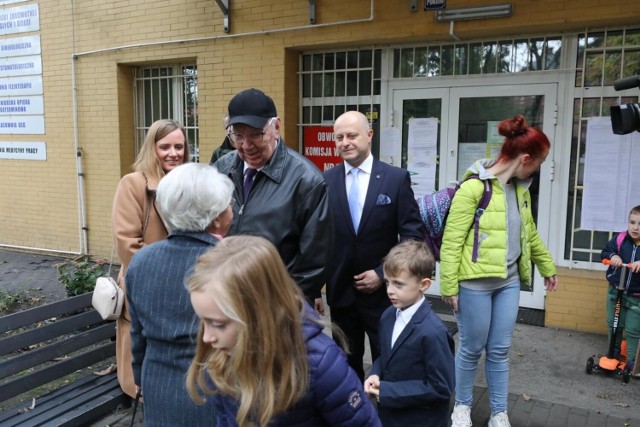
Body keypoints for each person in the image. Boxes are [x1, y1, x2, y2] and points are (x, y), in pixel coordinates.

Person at [186, 235, 381, 427]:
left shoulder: (319, 366)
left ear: (259, 314)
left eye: (219, 324)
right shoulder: (223, 355)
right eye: (203, 322)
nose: (206, 337)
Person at [441, 114, 558, 427]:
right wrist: (449, 286)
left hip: (507, 283)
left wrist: (546, 267)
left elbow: (529, 233)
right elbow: (451, 242)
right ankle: (462, 407)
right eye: (539, 162)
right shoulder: (473, 189)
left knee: (500, 350)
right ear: (524, 158)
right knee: (470, 348)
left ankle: (498, 412)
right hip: (474, 285)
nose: (538, 169)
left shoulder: (520, 190)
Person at [125, 163, 234, 425]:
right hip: (217, 390)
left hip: (159, 387)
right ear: (216, 217)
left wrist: (139, 377)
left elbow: (137, 334)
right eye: (229, 204)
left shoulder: (141, 262)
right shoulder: (232, 265)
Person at [323, 110, 424, 382]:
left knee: (388, 360)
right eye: (339, 137)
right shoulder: (325, 182)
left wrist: (383, 274)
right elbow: (318, 236)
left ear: (369, 136)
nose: (345, 142)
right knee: (345, 364)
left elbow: (412, 236)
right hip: (341, 294)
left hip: (384, 296)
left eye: (352, 135)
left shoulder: (394, 179)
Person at [212, 88, 331, 313]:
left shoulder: (307, 180)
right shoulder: (221, 169)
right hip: (225, 300)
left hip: (276, 308)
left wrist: (284, 305)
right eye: (238, 135)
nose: (247, 145)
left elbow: (313, 262)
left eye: (256, 134)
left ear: (276, 127)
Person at [111, 118, 190, 398]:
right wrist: (167, 275)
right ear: (151, 148)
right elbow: (127, 244)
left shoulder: (186, 184)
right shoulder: (133, 183)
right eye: (165, 146)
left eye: (179, 146)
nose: (173, 153)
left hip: (180, 291)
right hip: (146, 286)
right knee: (142, 375)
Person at [364, 240, 455, 427]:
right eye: (388, 282)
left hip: (421, 420)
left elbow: (442, 387)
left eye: (398, 284)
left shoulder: (433, 332)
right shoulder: (388, 316)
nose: (390, 290)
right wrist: (376, 373)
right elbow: (386, 356)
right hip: (389, 417)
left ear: (424, 284)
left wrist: (388, 391)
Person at [600, 205, 640, 369]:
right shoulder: (620, 239)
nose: (636, 227)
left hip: (637, 297)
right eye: (632, 222)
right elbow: (605, 252)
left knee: (632, 329)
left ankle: (632, 360)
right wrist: (613, 256)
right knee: (614, 323)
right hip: (615, 291)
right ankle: (613, 350)